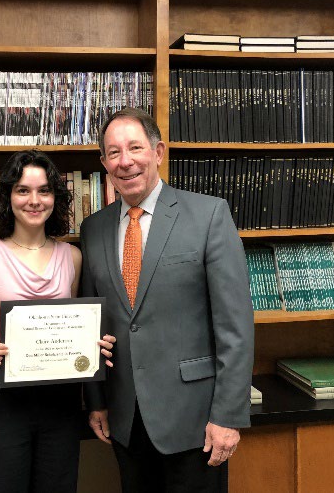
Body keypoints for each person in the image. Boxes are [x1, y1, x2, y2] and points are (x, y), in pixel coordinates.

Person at [80, 107, 254, 493]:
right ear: (104, 163)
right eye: (113, 152)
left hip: (195, 420)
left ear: (158, 152)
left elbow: (235, 327)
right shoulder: (92, 229)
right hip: (125, 418)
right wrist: (96, 401)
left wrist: (228, 416)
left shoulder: (208, 215)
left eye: (135, 148)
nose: (125, 162)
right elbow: (91, 323)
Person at [0, 149, 115, 493]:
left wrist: (93, 344)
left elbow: (75, 323)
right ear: (8, 196)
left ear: (56, 197)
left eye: (44, 190)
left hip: (61, 401)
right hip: (1, 399)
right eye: (23, 190)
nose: (34, 200)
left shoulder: (72, 257)